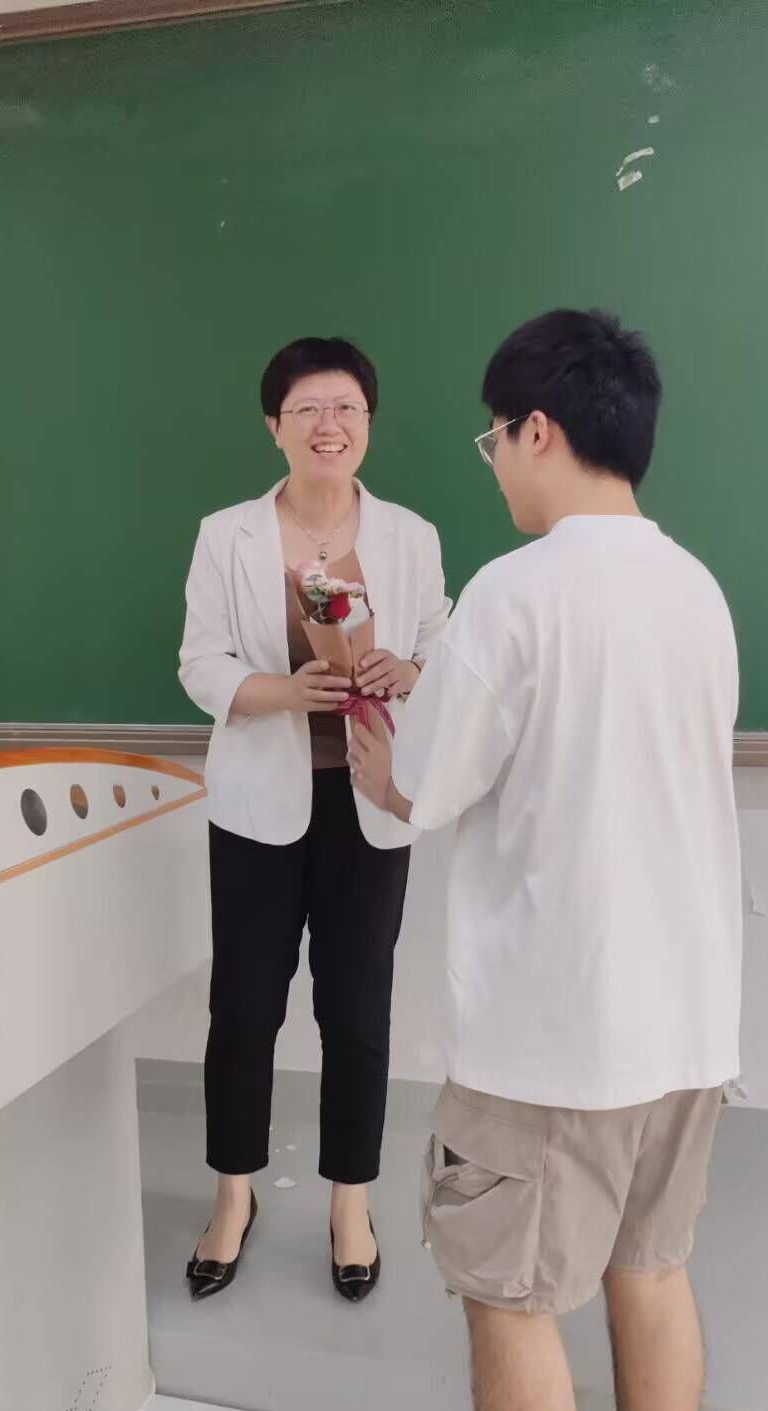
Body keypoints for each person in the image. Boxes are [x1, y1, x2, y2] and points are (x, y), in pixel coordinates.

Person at [348, 310, 741, 1411]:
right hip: (687, 1024)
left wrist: (380, 765)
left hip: (551, 1036)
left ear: (538, 429)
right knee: (652, 1268)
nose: (496, 465)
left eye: (494, 439)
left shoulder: (513, 592)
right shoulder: (697, 589)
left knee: (510, 1300)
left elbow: (427, 783)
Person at [177, 337, 450, 1304]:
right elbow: (200, 663)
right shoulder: (228, 535)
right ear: (275, 427)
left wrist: (407, 670)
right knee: (245, 1007)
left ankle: (350, 1203)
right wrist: (284, 691)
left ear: (368, 423)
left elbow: (442, 644)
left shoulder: (411, 536)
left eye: (347, 409)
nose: (329, 426)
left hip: (370, 801)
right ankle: (233, 1195)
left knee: (358, 1010)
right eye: (307, 410)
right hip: (259, 804)